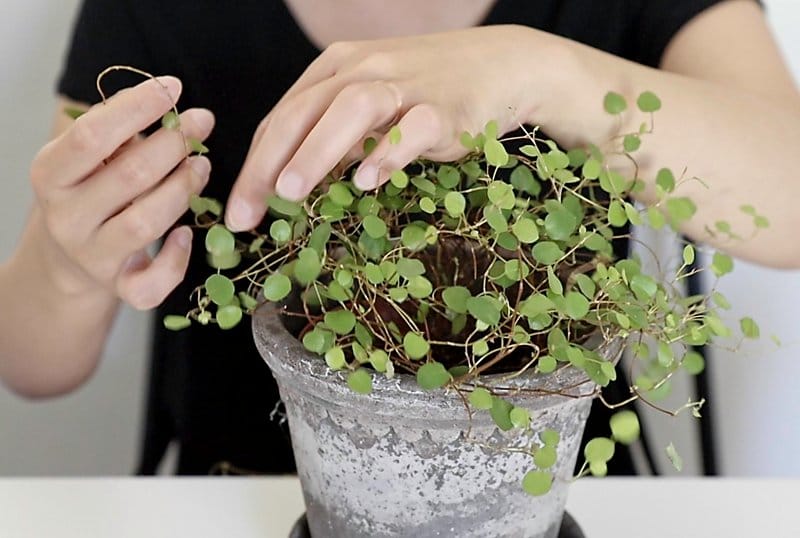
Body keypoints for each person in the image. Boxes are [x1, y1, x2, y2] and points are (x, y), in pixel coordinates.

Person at [1, 0, 797, 475]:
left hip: (557, 496)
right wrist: (68, 266)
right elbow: (31, 365)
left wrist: (543, 72)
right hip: (241, 488)